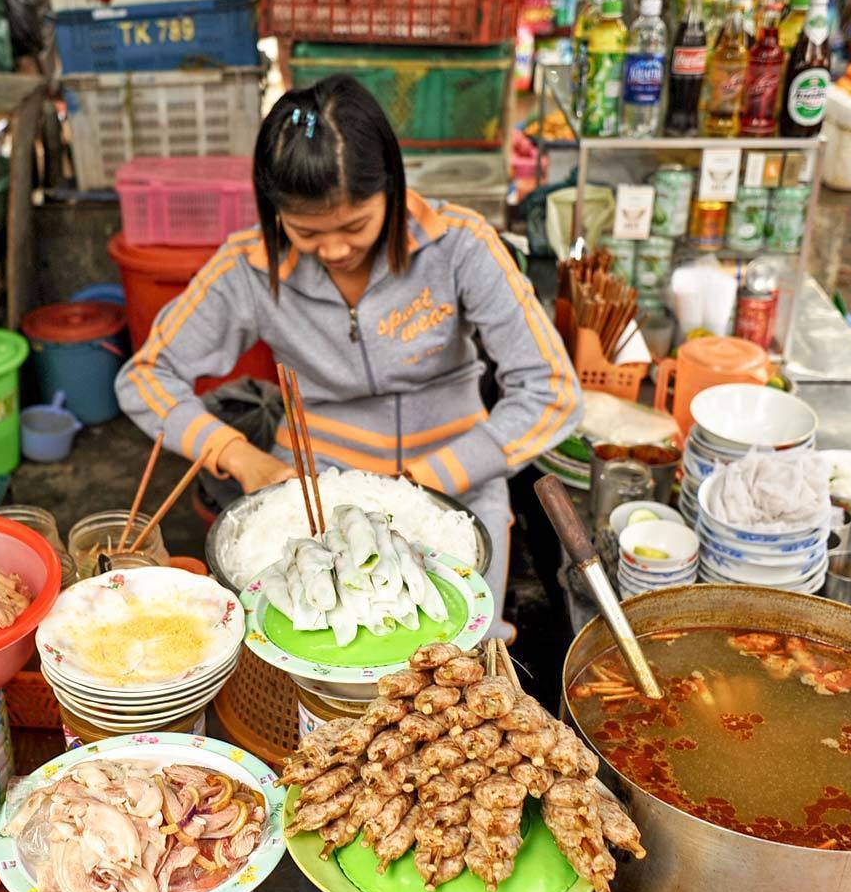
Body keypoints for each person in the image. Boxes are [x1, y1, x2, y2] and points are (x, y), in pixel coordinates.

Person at [114, 76, 581, 630]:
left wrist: (422, 483)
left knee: (449, 665)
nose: (334, 249)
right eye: (308, 231)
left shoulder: (460, 245)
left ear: (392, 186)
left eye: (355, 225)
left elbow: (553, 393)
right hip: (311, 493)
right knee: (313, 654)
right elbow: (145, 376)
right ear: (275, 209)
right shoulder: (248, 267)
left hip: (452, 493)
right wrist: (239, 456)